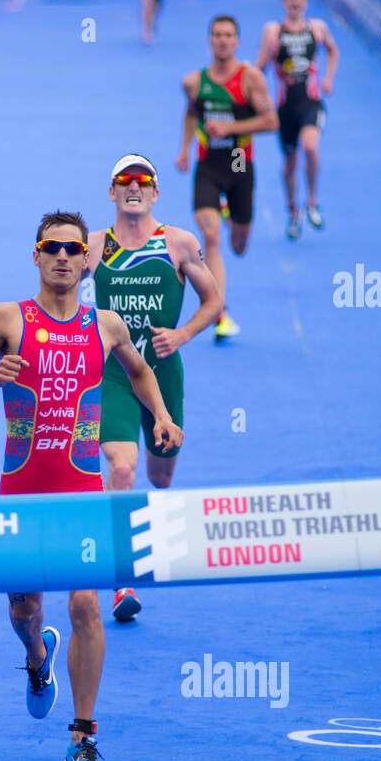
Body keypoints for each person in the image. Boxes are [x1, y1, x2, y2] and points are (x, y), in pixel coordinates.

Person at [0, 211, 184, 761]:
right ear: (36, 255)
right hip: (20, 495)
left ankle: (84, 739)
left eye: (75, 250)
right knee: (25, 611)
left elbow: (142, 372)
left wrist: (163, 416)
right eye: (52, 248)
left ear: (87, 260)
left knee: (85, 606)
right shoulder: (8, 319)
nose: (64, 258)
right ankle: (35, 658)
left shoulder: (107, 326)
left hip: (80, 491)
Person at [85, 155, 222, 622]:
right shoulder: (94, 246)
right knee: (121, 469)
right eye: (124, 180)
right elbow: (56, 285)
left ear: (156, 192)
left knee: (159, 477)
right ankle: (123, 579)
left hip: (164, 373)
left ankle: (143, 523)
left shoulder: (179, 243)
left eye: (143, 181)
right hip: (116, 374)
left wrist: (181, 335)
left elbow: (215, 299)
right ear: (111, 192)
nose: (134, 187)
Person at [176, 16, 276, 343]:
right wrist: (184, 149)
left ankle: (234, 216)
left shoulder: (250, 80)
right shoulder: (194, 82)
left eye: (228, 36)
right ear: (210, 39)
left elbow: (271, 121)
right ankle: (220, 312)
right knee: (211, 238)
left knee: (239, 244)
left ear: (236, 41)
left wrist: (231, 129)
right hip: (208, 164)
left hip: (238, 163)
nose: (222, 41)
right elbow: (191, 113)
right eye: (217, 35)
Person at [255, 0, 339, 240]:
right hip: (285, 108)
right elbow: (258, 71)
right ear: (283, 2)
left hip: (311, 102)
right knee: (290, 162)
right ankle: (293, 210)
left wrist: (328, 79)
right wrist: (269, 56)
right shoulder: (272, 31)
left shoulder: (317, 28)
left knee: (310, 147)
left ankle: (312, 201)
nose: (295, 2)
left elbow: (334, 51)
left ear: (305, 2)